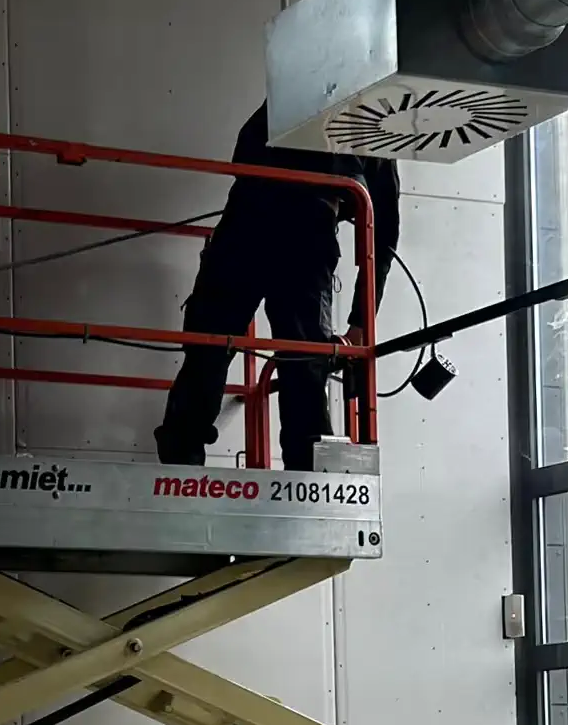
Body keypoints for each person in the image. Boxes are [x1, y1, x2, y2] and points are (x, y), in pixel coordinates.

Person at [153, 102, 400, 473]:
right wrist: (360, 321)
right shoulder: (304, 99)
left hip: (282, 230)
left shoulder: (363, 125)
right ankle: (187, 462)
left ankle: (299, 472)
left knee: (293, 358)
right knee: (223, 347)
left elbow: (383, 233)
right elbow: (384, 231)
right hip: (267, 224)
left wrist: (361, 320)